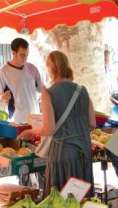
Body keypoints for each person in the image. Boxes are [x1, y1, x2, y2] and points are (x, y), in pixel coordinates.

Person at [19, 52, 94, 195]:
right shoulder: (82, 90)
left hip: (63, 153)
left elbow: (49, 129)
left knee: (61, 201)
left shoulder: (48, 93)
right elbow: (92, 123)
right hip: (84, 151)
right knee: (82, 198)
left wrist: (31, 132)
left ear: (51, 68)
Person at [0, 37, 43, 123]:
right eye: (22, 55)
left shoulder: (32, 68)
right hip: (17, 120)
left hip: (35, 118)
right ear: (13, 53)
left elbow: (43, 89)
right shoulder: (3, 72)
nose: (25, 58)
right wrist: (2, 99)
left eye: (27, 55)